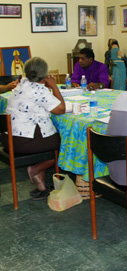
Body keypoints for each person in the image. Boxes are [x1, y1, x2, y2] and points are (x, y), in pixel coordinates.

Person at [1, 57, 65, 200]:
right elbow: (61, 109)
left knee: (44, 135)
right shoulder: (38, 91)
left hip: (9, 138)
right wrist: (54, 86)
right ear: (44, 74)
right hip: (23, 142)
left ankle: (41, 184)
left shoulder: (22, 84)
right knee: (65, 144)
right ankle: (35, 169)